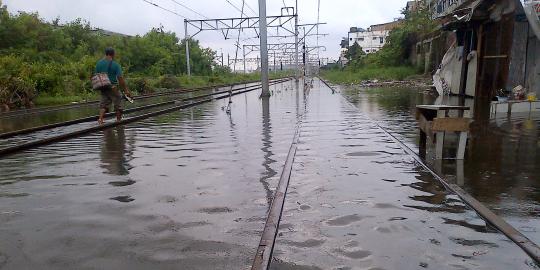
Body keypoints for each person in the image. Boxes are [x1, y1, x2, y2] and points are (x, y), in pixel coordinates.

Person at [95, 47, 132, 124]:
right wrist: (125, 89)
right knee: (118, 102)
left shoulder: (99, 64)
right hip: (113, 87)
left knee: (103, 104)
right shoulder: (116, 65)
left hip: (103, 87)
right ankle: (118, 120)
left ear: (106, 54)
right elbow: (120, 78)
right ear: (113, 54)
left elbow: (96, 76)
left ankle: (100, 119)